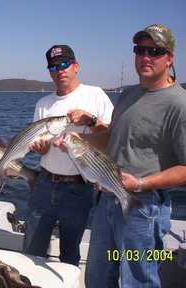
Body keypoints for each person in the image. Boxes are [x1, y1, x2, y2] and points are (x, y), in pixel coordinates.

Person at [80, 24, 186, 287]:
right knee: (97, 277)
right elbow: (111, 138)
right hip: (107, 200)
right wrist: (76, 142)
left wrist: (139, 184)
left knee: (137, 281)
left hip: (144, 208)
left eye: (155, 51)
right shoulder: (128, 94)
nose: (145, 57)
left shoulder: (179, 104)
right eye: (140, 50)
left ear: (170, 58)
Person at [23, 45, 114, 265]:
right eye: (53, 66)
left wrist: (90, 120)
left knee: (70, 254)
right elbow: (42, 150)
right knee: (32, 251)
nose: (59, 70)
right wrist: (41, 148)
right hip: (43, 184)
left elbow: (113, 138)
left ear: (75, 66)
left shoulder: (96, 95)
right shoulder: (43, 104)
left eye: (64, 64)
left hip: (79, 188)